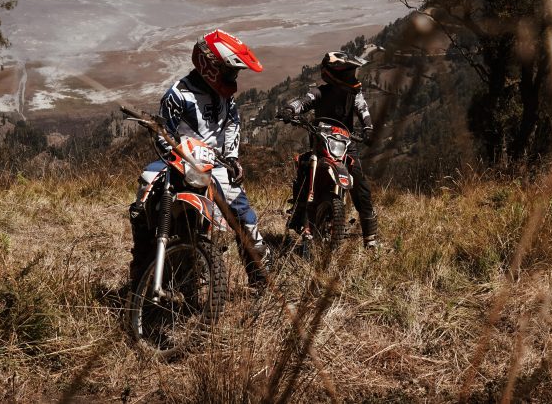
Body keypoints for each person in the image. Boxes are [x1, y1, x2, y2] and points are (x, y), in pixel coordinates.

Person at [128, 29, 272, 289]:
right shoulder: (178, 94)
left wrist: (232, 158)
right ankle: (141, 266)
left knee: (247, 222)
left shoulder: (226, 97)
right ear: (210, 65)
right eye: (229, 71)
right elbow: (163, 133)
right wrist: (177, 153)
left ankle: (260, 279)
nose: (233, 77)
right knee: (145, 191)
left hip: (215, 165)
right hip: (180, 161)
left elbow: (232, 125)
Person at [280, 51, 379, 249]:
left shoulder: (354, 94)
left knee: (361, 186)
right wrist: (290, 110)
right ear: (335, 74)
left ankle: (370, 237)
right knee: (305, 168)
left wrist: (368, 128)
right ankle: (299, 211)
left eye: (353, 73)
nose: (352, 78)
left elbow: (363, 109)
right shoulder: (320, 92)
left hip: (346, 144)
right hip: (321, 140)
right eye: (348, 74)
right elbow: (304, 101)